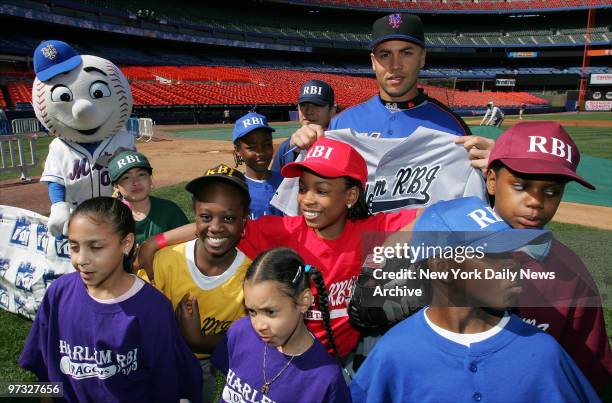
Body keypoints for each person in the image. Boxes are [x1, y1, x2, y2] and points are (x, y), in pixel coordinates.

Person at [138, 138, 420, 369]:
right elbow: (224, 223)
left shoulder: (370, 231)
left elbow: (440, 218)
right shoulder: (283, 230)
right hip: (281, 357)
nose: (307, 199)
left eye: (321, 190)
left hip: (339, 361)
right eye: (303, 188)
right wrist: (156, 241)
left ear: (350, 197)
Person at [350, 197, 600, 402]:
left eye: (510, 253)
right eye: (493, 254)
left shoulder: (543, 353)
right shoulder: (394, 354)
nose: (512, 266)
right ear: (442, 266)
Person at [19, 197, 202, 403]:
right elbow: (44, 364)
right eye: (74, 247)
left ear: (126, 243)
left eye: (96, 247)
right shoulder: (59, 293)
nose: (81, 259)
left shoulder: (153, 308)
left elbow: (169, 382)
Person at [485, 121, 612, 391]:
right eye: (520, 186)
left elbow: (590, 373)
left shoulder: (571, 273)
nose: (536, 201)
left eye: (552, 191)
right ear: (492, 182)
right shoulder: (445, 250)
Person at [151, 164, 252, 402]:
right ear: (194, 216)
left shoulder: (250, 277)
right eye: (206, 217)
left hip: (205, 365)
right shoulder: (165, 261)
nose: (216, 227)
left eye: (228, 218)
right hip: (160, 359)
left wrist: (198, 340)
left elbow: (247, 341)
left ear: (244, 221)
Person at [209, 247, 350, 402]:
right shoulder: (240, 332)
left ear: (304, 302)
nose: (258, 325)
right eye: (252, 311)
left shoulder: (325, 380)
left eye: (270, 312)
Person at [108, 150, 188, 245]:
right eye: (126, 178)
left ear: (150, 179)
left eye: (141, 174)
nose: (136, 182)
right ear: (116, 186)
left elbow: (191, 244)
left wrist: (155, 242)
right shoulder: (110, 217)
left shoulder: (169, 210)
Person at [272, 79, 336, 174]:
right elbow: (276, 184)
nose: (308, 111)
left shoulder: (344, 145)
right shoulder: (286, 147)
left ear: (332, 111)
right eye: (303, 105)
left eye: (317, 105)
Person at [232, 111, 283, 219]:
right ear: (238, 151)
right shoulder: (236, 190)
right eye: (251, 147)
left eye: (267, 145)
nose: (260, 152)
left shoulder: (285, 183)